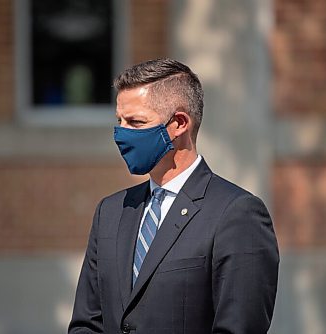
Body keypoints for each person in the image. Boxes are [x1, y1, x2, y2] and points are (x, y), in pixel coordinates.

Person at [68, 58, 279, 334]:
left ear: (179, 123)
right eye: (119, 121)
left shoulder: (236, 214)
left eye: (135, 122)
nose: (121, 133)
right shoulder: (110, 212)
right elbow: (86, 324)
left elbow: (238, 327)